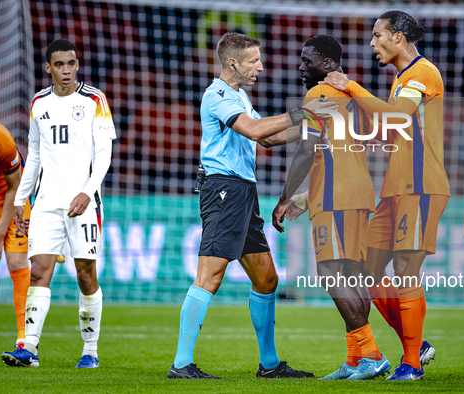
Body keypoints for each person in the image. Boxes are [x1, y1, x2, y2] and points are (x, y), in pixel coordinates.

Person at [168, 32, 335, 380]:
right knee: (209, 276)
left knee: (266, 278)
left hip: (244, 192)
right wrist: (304, 111)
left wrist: (312, 122)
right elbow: (256, 130)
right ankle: (181, 363)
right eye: (253, 61)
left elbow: (270, 138)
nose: (261, 66)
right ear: (232, 63)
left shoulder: (239, 96)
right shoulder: (216, 96)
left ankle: (270, 365)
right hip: (224, 190)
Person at [321, 10, 448, 380]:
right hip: (394, 188)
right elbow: (390, 128)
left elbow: (397, 118)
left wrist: (352, 87)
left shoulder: (423, 72)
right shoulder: (399, 81)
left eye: (378, 36)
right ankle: (417, 345)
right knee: (366, 271)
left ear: (399, 36)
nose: (373, 43)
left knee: (406, 271)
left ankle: (411, 364)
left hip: (422, 187)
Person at [272, 35, 389, 380]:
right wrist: (307, 195)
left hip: (335, 197)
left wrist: (283, 198)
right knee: (351, 276)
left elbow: (307, 151)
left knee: (330, 274)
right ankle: (356, 359)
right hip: (358, 191)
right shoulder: (353, 95)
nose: (300, 67)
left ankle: (371, 355)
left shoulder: (317, 95)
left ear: (325, 63)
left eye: (307, 61)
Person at [1, 39, 116, 369]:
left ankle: (90, 349)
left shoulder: (95, 99)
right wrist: (23, 200)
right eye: (60, 64)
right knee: (38, 272)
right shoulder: (38, 102)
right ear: (48, 68)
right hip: (46, 202)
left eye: (72, 63)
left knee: (85, 277)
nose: (67, 70)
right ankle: (30, 349)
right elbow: (34, 155)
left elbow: (104, 153)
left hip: (84, 203)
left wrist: (87, 190)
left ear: (77, 65)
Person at [0, 121, 31, 350]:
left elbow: (15, 186)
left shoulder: (1, 138)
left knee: (17, 261)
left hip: (12, 197)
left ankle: (24, 338)